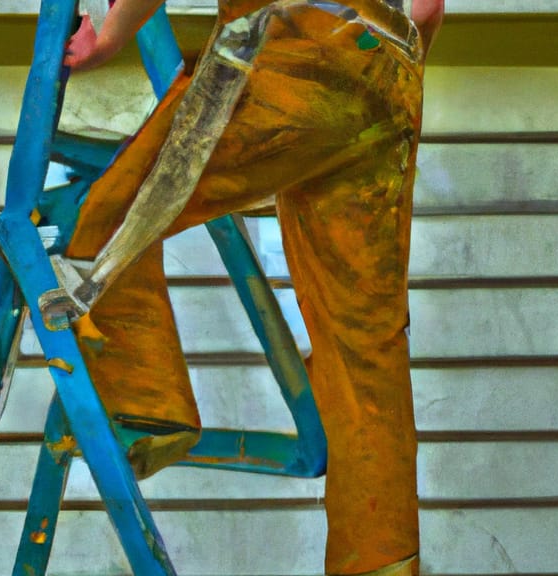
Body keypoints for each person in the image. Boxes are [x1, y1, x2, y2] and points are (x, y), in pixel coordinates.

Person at [50, 0, 444, 574]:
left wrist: (107, 41)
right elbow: (428, 10)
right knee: (366, 346)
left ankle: (147, 406)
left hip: (291, 45)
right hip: (391, 72)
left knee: (110, 223)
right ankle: (380, 560)